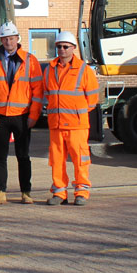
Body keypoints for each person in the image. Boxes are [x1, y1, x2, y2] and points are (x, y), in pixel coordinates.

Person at [0, 21, 43, 205]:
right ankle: (0, 191)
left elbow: (38, 91)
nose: (8, 41)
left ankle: (26, 192)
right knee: (0, 156)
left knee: (23, 155)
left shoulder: (30, 60)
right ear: (1, 40)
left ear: (17, 38)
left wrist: (33, 116)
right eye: (5, 38)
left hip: (22, 116)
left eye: (11, 38)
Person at [43, 30, 99, 206]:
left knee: (80, 160)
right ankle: (59, 193)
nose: (61, 50)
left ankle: (81, 192)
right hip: (56, 125)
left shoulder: (84, 70)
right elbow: (47, 94)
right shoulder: (50, 70)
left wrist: (75, 113)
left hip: (77, 126)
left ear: (73, 48)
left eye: (65, 46)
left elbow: (92, 100)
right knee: (57, 161)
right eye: (58, 46)